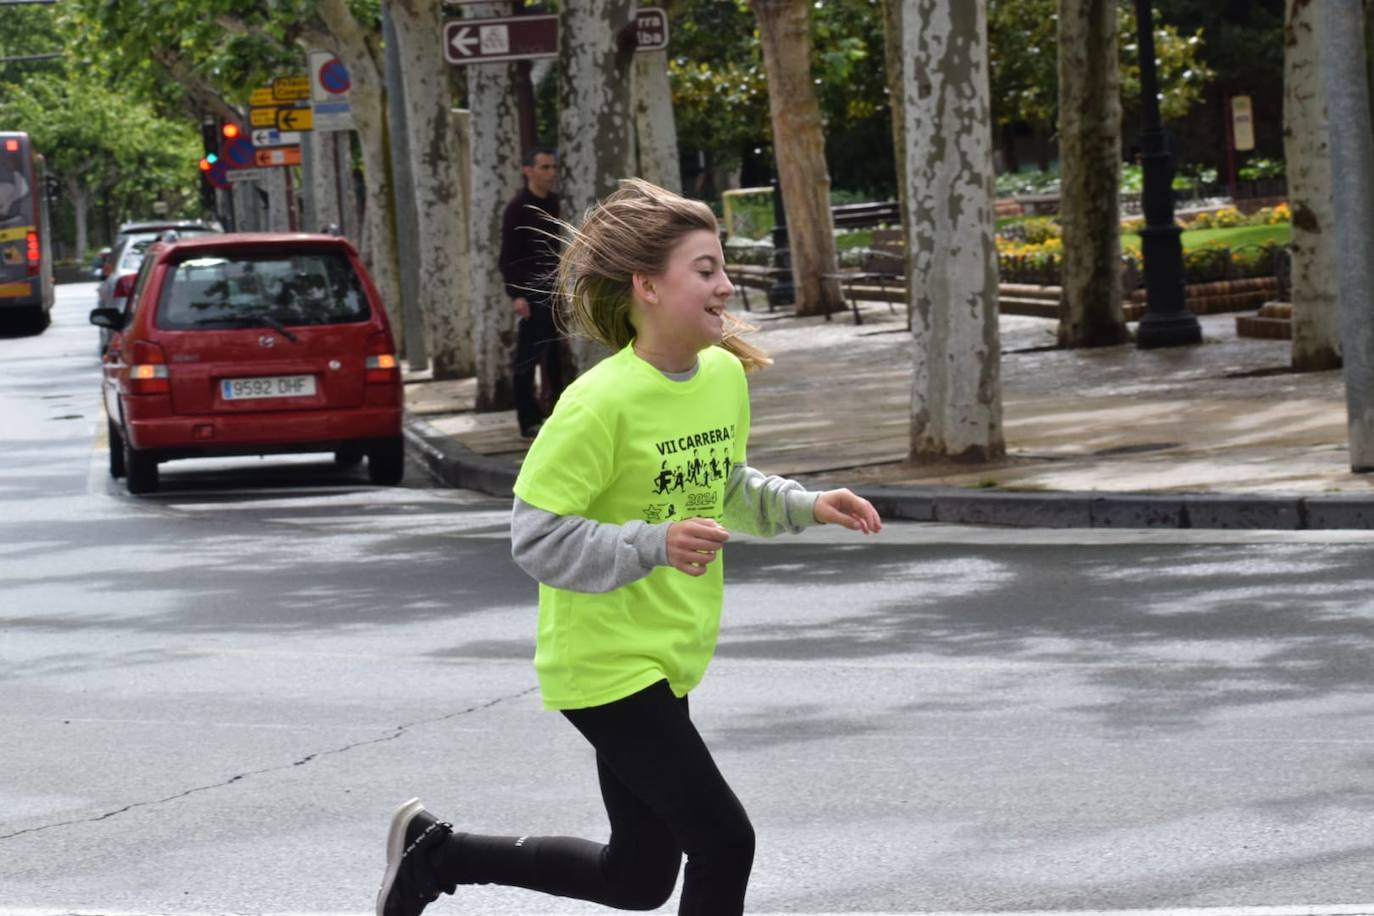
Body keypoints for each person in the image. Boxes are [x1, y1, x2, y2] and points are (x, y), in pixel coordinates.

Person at [376, 179, 883, 916]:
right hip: (605, 662)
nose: (726, 284)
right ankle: (436, 857)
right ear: (648, 286)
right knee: (723, 842)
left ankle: (437, 857)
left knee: (639, 878)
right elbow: (535, 535)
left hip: (670, 648)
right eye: (705, 269)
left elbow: (721, 484)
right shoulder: (598, 402)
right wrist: (653, 543)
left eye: (721, 267)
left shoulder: (720, 377)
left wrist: (808, 506)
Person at [499, 146, 566, 438]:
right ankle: (527, 419)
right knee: (528, 357)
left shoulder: (555, 204)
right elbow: (507, 257)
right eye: (544, 168)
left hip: (556, 289)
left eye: (553, 167)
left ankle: (558, 413)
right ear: (528, 170)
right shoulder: (517, 208)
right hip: (530, 291)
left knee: (556, 356)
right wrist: (517, 295)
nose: (550, 174)